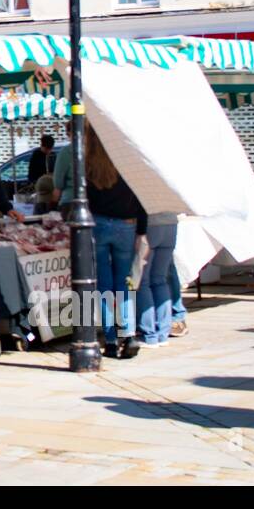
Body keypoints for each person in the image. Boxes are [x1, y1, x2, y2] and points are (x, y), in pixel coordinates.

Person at [85, 124, 147, 360]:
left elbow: (85, 200)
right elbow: (141, 197)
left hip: (99, 224)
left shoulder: (89, 164)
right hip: (127, 224)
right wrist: (142, 229)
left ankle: (110, 340)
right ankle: (128, 333)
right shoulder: (127, 161)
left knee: (104, 286)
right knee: (124, 283)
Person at [138, 214, 179, 347]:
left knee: (142, 282)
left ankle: (149, 335)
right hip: (171, 225)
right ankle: (163, 334)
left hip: (150, 226)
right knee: (160, 280)